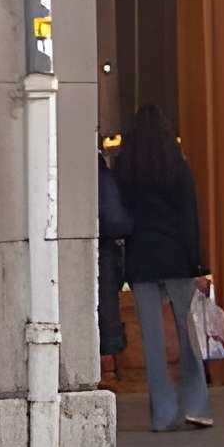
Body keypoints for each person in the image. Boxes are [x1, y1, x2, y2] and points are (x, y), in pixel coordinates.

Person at [114, 103, 214, 432]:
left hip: (142, 257)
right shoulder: (177, 167)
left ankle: (163, 414)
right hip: (176, 256)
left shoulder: (126, 168)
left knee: (153, 342)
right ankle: (197, 405)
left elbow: (121, 211)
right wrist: (197, 261)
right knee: (189, 334)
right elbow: (190, 216)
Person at [96, 147, 134, 377]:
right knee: (107, 306)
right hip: (105, 250)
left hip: (88, 248)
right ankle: (108, 366)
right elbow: (118, 221)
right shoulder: (106, 179)